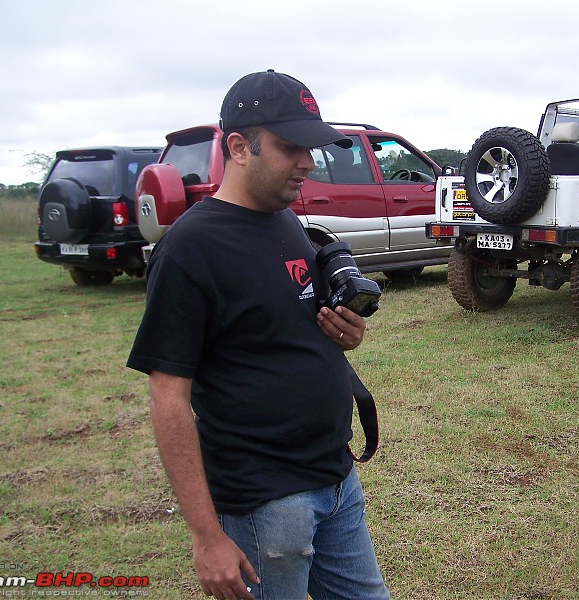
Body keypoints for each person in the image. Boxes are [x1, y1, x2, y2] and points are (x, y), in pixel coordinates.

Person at [127, 69, 389, 600]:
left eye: (311, 148)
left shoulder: (286, 222)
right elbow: (168, 396)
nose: (308, 163)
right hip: (266, 504)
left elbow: (287, 330)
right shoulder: (190, 249)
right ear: (240, 147)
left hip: (336, 483)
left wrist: (343, 333)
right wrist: (206, 537)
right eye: (291, 147)